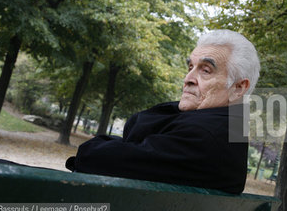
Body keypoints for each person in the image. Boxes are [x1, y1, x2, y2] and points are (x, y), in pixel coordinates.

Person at [65, 30, 260, 194]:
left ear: (238, 89)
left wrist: (96, 145)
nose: (188, 78)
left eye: (205, 70)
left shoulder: (206, 137)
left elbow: (94, 157)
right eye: (190, 67)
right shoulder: (228, 132)